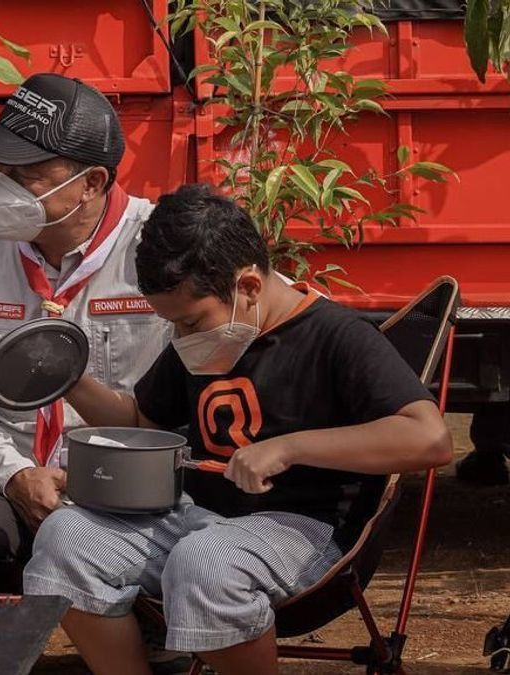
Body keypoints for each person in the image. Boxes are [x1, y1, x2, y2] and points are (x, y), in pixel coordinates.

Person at [22, 184, 454, 675]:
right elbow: (142, 422)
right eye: (173, 325)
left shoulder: (337, 337)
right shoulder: (209, 334)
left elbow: (430, 438)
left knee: (204, 561)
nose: (181, 338)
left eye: (188, 322)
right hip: (194, 519)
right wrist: (69, 377)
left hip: (304, 531)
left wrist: (289, 448)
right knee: (66, 537)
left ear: (248, 287)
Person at [0, 73, 170, 595]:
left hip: (128, 476)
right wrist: (15, 474)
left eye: (28, 174)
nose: (4, 188)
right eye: (0, 169)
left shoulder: (160, 244)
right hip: (11, 466)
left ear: (92, 184)